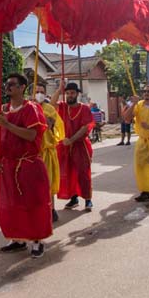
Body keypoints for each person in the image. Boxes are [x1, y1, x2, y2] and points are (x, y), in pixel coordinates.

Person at [0, 73, 52, 258]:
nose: (8, 87)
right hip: (8, 165)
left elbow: (31, 135)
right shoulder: (3, 109)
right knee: (12, 204)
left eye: (12, 84)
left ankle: (37, 241)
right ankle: (17, 239)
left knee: (33, 203)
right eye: (6, 83)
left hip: (28, 164)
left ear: (22, 87)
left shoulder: (32, 109)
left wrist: (8, 125)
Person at [53, 81, 94, 210]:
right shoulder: (63, 107)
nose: (70, 95)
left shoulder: (84, 108)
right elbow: (52, 104)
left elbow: (85, 127)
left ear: (77, 94)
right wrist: (59, 90)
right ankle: (73, 198)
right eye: (68, 93)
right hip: (64, 146)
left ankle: (88, 199)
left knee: (83, 173)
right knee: (67, 172)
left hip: (80, 146)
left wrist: (71, 140)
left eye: (72, 93)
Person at [35, 82, 65, 222]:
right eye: (36, 91)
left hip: (47, 152)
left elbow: (49, 123)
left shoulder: (49, 109)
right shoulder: (28, 107)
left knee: (49, 182)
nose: (39, 94)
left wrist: (59, 90)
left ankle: (51, 209)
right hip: (33, 153)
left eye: (41, 91)